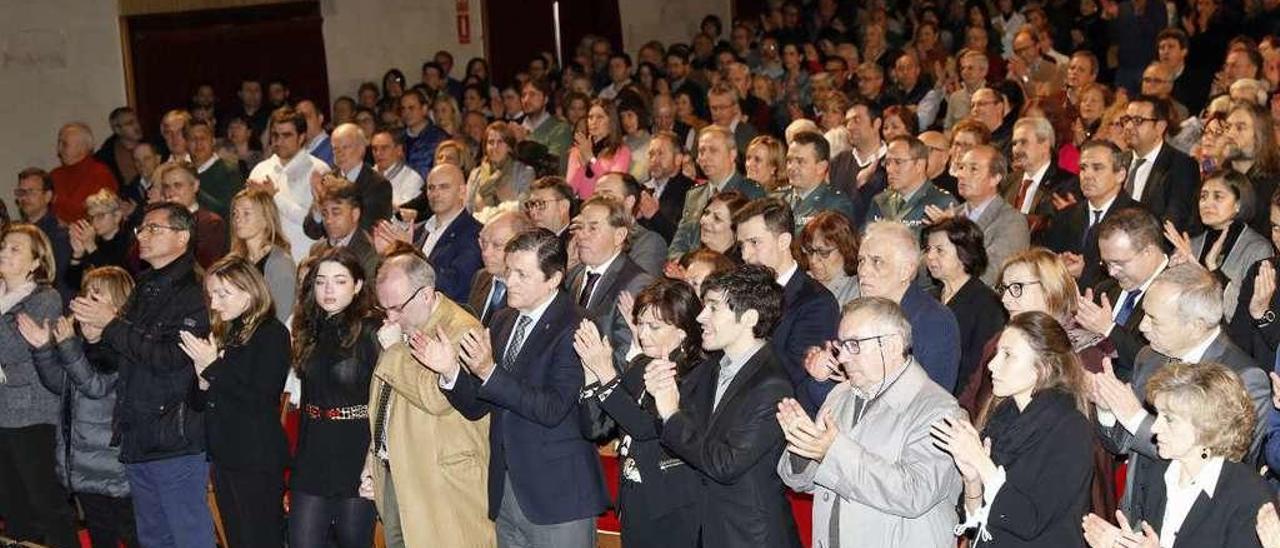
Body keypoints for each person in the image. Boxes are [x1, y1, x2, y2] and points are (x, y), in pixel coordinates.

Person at [435, 228, 608, 548]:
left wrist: (489, 371)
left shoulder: (576, 324)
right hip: (506, 490)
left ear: (554, 279)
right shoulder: (502, 320)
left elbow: (552, 408)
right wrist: (450, 373)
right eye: (509, 270)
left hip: (558, 496)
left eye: (522, 275)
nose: (509, 281)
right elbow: (479, 405)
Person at [71, 203, 215, 547]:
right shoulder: (145, 284)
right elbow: (125, 354)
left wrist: (112, 325)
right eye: (141, 229)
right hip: (139, 433)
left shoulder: (196, 290)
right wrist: (92, 339)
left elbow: (170, 358)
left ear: (182, 237)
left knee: (188, 536)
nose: (143, 236)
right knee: (152, 539)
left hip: (175, 436)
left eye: (154, 229)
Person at [778, 296, 963, 547]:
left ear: (892, 345)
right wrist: (805, 445)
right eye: (841, 345)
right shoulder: (840, 394)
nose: (841, 357)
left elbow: (914, 494)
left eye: (853, 345)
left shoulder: (938, 408)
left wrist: (831, 452)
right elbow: (807, 483)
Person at [1092, 263, 1271, 517]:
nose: (1142, 326)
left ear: (1196, 326)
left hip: (1194, 523)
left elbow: (1223, 466)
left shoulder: (1244, 377)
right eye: (1144, 314)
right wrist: (1108, 409)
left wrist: (1136, 418)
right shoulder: (1150, 356)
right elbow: (1120, 445)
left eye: (1154, 320)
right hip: (1135, 517)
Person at [645, 264, 799, 547]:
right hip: (704, 528)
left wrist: (670, 412)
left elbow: (725, 463)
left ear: (749, 317)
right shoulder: (709, 369)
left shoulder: (772, 385)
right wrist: (662, 395)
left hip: (748, 537)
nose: (701, 316)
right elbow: (676, 437)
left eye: (714, 308)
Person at [934, 311, 1093, 547]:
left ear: (1043, 367)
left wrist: (981, 463)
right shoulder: (1003, 416)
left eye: (1008, 355)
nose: (992, 364)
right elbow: (977, 525)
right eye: (998, 353)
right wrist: (972, 479)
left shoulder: (1070, 429)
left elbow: (1028, 520)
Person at [373, 251, 494, 547]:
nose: (390, 317)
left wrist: (393, 353)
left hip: (442, 482)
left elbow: (435, 397)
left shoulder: (461, 329)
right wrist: (374, 452)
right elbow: (386, 401)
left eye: (397, 307)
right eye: (383, 308)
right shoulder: (403, 326)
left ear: (426, 295)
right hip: (398, 468)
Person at [1083, 362, 1271, 548]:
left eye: (1169, 419)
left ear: (1207, 427)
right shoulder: (1157, 469)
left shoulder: (1250, 497)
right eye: (1158, 415)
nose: (1155, 427)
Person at [574, 279, 703, 547]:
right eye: (640, 324)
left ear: (682, 331)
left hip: (673, 507)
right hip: (634, 499)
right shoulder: (640, 366)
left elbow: (647, 429)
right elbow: (596, 428)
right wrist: (590, 374)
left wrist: (607, 374)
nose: (642, 334)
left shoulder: (697, 373)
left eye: (654, 326)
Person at [180, 257, 291, 548]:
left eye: (222, 294)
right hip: (225, 454)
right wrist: (203, 380)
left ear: (249, 291)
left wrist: (213, 368)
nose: (214, 304)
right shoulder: (229, 331)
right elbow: (199, 402)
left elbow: (261, 397)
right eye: (212, 295)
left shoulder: (271, 333)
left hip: (255, 458)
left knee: (260, 539)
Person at [24, 266, 138, 548]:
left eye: (97, 296)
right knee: (100, 534)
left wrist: (67, 346)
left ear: (118, 304)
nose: (87, 300)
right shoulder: (82, 342)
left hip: (114, 467)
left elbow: (95, 386)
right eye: (86, 293)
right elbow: (59, 383)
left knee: (132, 533)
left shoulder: (119, 346)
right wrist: (44, 349)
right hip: (85, 466)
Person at [287, 248, 382, 548]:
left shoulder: (372, 330)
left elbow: (388, 398)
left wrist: (375, 457)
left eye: (339, 281)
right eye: (321, 281)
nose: (328, 289)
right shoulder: (307, 327)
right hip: (313, 449)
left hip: (355, 450)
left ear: (357, 286)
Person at [0, 224, 79, 548]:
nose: (4, 251)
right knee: (12, 506)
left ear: (36, 261)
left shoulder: (45, 298)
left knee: (46, 504)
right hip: (3, 414)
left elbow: (13, 350)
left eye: (15, 248)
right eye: (3, 245)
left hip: (32, 415)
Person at [734, 198, 838, 414]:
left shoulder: (816, 302)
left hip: (779, 415)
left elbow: (791, 374)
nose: (745, 255)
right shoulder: (739, 292)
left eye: (754, 243)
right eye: (741, 245)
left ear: (783, 241)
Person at [853, 220, 962, 392]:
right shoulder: (858, 315)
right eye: (861, 260)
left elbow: (931, 400)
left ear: (906, 271)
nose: (863, 271)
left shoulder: (935, 321)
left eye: (877, 261)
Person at [1074, 208, 1168, 380]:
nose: (1111, 272)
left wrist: (1108, 329)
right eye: (1106, 263)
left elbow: (1159, 364)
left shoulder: (1180, 292)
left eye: (1118, 263)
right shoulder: (1105, 289)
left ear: (1148, 252)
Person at [1168, 170, 1274, 320]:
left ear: (1238, 204)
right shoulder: (1191, 244)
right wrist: (1174, 272)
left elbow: (1244, 312)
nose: (1207, 203)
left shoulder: (1257, 248)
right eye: (1203, 197)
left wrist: (1213, 269)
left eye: (1218, 196)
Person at [567, 196, 654, 368]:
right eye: (580, 227)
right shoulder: (575, 274)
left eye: (593, 228)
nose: (582, 235)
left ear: (619, 235)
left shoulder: (636, 284)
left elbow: (624, 357)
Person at [924, 217, 1006, 398]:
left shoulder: (987, 304)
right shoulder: (927, 298)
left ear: (964, 253)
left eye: (939, 250)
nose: (930, 256)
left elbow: (979, 367)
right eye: (928, 249)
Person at [1042, 140, 1140, 289]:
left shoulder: (1138, 218)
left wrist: (1086, 273)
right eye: (1083, 168)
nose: (1087, 175)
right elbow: (1045, 262)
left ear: (1120, 175)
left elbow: (1137, 275)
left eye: (1097, 168)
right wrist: (1059, 265)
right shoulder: (1064, 216)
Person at [247, 106, 332, 263]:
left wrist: (274, 196)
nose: (279, 141)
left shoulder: (319, 171)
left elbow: (315, 224)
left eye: (286, 135)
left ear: (301, 137)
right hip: (266, 260)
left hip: (305, 261)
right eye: (275, 135)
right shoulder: (260, 170)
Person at [668, 125, 765, 259]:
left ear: (732, 154)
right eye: (701, 151)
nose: (705, 157)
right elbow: (678, 244)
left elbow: (753, 247)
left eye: (713, 150)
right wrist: (686, 265)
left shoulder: (751, 192)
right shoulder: (695, 194)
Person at [949, 144, 1030, 287]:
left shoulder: (1012, 221)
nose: (961, 174)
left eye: (973, 169)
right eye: (961, 167)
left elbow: (991, 275)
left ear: (995, 179)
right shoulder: (952, 213)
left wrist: (954, 234)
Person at [1121, 95, 1199, 233]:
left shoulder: (1181, 166)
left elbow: (1174, 222)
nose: (1128, 127)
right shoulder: (1119, 161)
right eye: (1126, 120)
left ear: (1160, 127)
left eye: (1138, 121)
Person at [303, 124, 394, 240]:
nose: (339, 153)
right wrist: (318, 204)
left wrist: (338, 193)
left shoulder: (378, 184)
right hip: (332, 253)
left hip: (362, 255)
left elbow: (370, 229)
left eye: (345, 147)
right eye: (335, 148)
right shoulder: (327, 180)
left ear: (361, 148)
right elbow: (312, 231)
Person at [228, 187, 296, 323]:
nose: (238, 219)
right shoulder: (236, 260)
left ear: (266, 219)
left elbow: (280, 317)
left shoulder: (280, 263)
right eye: (235, 214)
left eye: (247, 213)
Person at [864, 135, 957, 236]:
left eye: (898, 162)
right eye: (887, 163)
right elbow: (864, 240)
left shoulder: (942, 203)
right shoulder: (880, 201)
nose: (890, 169)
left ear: (919, 165)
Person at [1004, 117, 1081, 234]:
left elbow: (1053, 227)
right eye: (1014, 143)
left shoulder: (1067, 183)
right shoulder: (1008, 181)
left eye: (1023, 142)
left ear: (1045, 145)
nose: (1016, 149)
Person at [773, 131, 856, 231]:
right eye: (789, 161)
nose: (792, 167)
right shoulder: (775, 198)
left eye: (800, 161)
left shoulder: (835, 205)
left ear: (821, 167)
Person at [154, 162, 229, 269]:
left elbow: (205, 264)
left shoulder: (210, 222)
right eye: (166, 187)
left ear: (195, 186)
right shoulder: (159, 220)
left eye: (178, 185)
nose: (170, 192)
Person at [591, 171, 667, 276]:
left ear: (629, 202)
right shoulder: (585, 236)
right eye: (595, 197)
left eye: (608, 196)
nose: (599, 202)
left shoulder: (648, 242)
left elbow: (639, 287)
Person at [467, 211, 534, 326]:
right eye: (483, 242)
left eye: (497, 245)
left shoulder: (529, 291)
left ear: (521, 247)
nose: (486, 253)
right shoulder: (481, 277)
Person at [827, 101, 889, 225]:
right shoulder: (839, 161)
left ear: (877, 123)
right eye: (847, 122)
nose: (849, 126)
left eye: (857, 120)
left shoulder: (893, 162)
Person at [16, 169, 73, 300]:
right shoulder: (16, 231)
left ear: (48, 196)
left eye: (31, 192)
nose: (24, 197)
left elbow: (58, 279)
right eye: (21, 192)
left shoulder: (61, 234)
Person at [309, 174, 380, 278]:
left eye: (336, 213)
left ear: (355, 214)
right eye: (325, 214)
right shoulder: (317, 250)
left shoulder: (370, 253)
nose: (328, 220)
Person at [51, 122, 118, 224]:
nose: (59, 149)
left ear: (82, 148)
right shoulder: (55, 175)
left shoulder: (100, 174)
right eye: (59, 143)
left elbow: (96, 214)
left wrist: (57, 201)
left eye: (64, 144)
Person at [67, 189, 134, 290]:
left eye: (100, 216)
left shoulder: (129, 243)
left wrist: (91, 247)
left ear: (117, 216)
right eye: (91, 217)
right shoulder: (94, 241)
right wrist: (78, 254)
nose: (94, 222)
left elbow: (116, 281)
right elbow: (72, 284)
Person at [566, 98, 631, 197]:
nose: (594, 122)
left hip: (606, 207)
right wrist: (582, 166)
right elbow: (570, 191)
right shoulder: (577, 150)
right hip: (581, 206)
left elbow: (613, 186)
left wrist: (591, 159)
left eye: (600, 117)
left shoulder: (622, 151)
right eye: (590, 117)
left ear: (611, 121)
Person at [637, 132, 693, 243]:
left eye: (660, 154)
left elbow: (685, 241)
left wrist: (655, 216)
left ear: (678, 159)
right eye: (651, 154)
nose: (654, 160)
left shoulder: (691, 191)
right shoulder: (641, 188)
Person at [468, 121, 535, 212]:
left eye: (500, 142)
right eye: (491, 142)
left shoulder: (525, 172)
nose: (495, 147)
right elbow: (468, 208)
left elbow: (524, 206)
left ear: (509, 147)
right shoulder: (475, 174)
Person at [797, 210, 860, 306]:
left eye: (823, 252)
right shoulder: (800, 283)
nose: (813, 260)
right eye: (810, 251)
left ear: (845, 250)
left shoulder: (857, 291)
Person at [187, 120, 244, 221]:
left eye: (203, 138)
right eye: (193, 139)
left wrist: (193, 191)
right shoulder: (184, 172)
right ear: (187, 143)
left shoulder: (229, 172)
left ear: (213, 141)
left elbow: (230, 211)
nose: (198, 143)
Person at [520, 79, 573, 164]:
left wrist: (524, 141)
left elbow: (554, 164)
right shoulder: (516, 128)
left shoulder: (560, 128)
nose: (526, 100)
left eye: (532, 94)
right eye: (523, 95)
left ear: (545, 99)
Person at [400, 89, 449, 177]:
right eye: (403, 108)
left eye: (411, 108)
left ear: (424, 109)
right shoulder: (397, 138)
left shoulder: (439, 138)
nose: (406, 113)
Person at [95, 107, 145, 187]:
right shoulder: (106, 156)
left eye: (137, 121)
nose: (137, 126)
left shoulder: (153, 146)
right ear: (117, 129)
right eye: (130, 123)